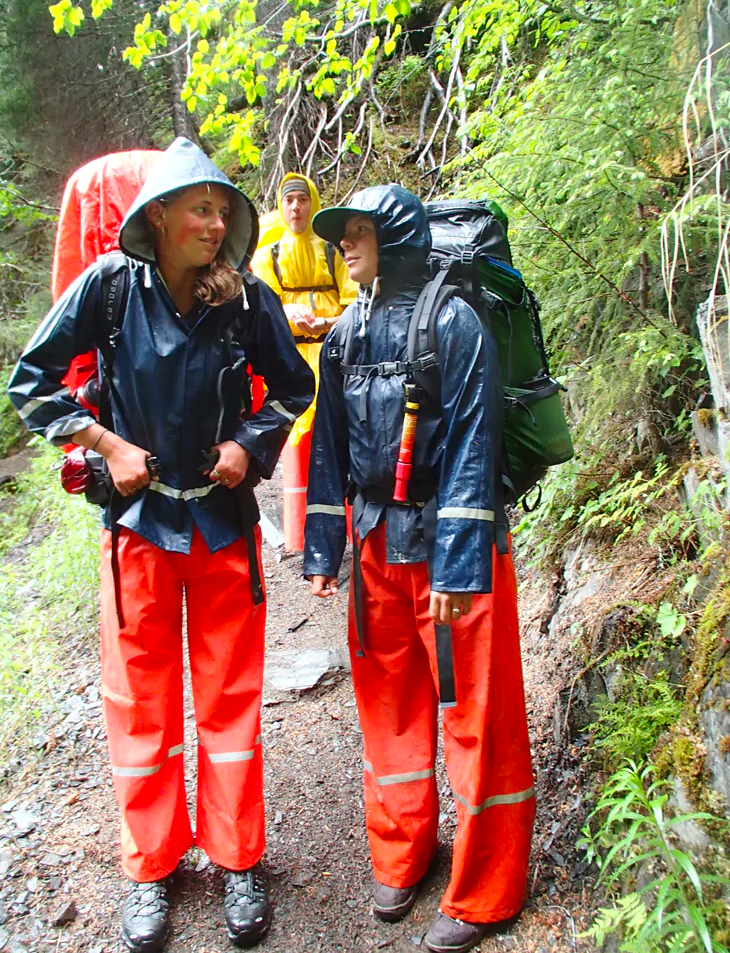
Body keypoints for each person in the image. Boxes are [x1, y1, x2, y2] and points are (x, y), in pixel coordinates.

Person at [8, 138, 315, 952]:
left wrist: (252, 441)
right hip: (137, 532)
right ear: (160, 217)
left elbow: (293, 387)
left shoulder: (244, 300)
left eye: (223, 211)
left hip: (222, 526)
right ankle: (150, 867)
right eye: (201, 209)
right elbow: (29, 381)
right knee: (139, 704)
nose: (215, 224)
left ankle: (238, 857)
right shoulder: (109, 289)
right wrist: (107, 447)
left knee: (229, 701)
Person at [303, 185, 535, 953]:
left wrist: (459, 567)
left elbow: (475, 446)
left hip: (450, 547)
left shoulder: (456, 322)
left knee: (478, 714)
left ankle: (487, 888)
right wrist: (323, 551)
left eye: (357, 230)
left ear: (396, 235)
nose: (344, 243)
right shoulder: (343, 333)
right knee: (389, 703)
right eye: (340, 234)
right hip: (375, 545)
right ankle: (403, 850)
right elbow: (328, 446)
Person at [251, 173, 357, 551]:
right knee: (296, 444)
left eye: (302, 199)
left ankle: (349, 529)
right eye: (289, 200)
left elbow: (354, 300)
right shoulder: (269, 257)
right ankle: (301, 535)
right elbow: (260, 307)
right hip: (291, 361)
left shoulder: (333, 251)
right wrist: (287, 314)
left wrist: (328, 322)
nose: (295, 207)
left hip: (333, 355)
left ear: (313, 204)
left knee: (337, 438)